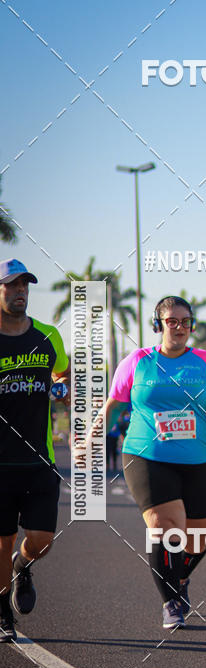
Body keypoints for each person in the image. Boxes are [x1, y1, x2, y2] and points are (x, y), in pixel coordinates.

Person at [104, 295, 206, 629]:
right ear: (159, 325)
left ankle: (178, 579)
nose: (179, 327)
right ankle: (171, 600)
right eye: (172, 321)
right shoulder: (137, 362)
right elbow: (113, 405)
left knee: (199, 539)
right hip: (146, 454)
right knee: (167, 527)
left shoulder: (205, 362)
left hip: (196, 457)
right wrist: (93, 436)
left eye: (185, 321)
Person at [0, 259, 70, 642]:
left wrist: (62, 388)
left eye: (25, 285)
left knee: (41, 539)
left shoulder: (47, 337)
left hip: (39, 458)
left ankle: (23, 565)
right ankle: (2, 613)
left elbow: (63, 372)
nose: (20, 291)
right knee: (0, 539)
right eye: (11, 285)